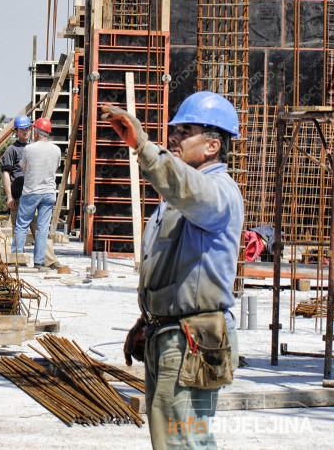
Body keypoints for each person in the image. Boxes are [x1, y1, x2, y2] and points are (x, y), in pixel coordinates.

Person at [102, 91, 243, 450]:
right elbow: (170, 266)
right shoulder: (176, 199)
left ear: (212, 145)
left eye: (185, 130)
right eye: (174, 130)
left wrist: (145, 148)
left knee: (185, 445)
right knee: (172, 442)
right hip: (170, 334)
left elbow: (187, 188)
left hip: (192, 340)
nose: (175, 136)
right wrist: (147, 320)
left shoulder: (218, 193)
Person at [1, 115, 62, 269]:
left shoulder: (30, 148)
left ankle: (42, 260)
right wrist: (9, 196)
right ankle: (36, 261)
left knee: (32, 228)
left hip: (31, 193)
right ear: (16, 131)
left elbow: (25, 168)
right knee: (37, 227)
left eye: (28, 128)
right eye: (22, 129)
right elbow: (6, 174)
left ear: (34, 130)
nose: (26, 131)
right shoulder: (12, 150)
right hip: (26, 194)